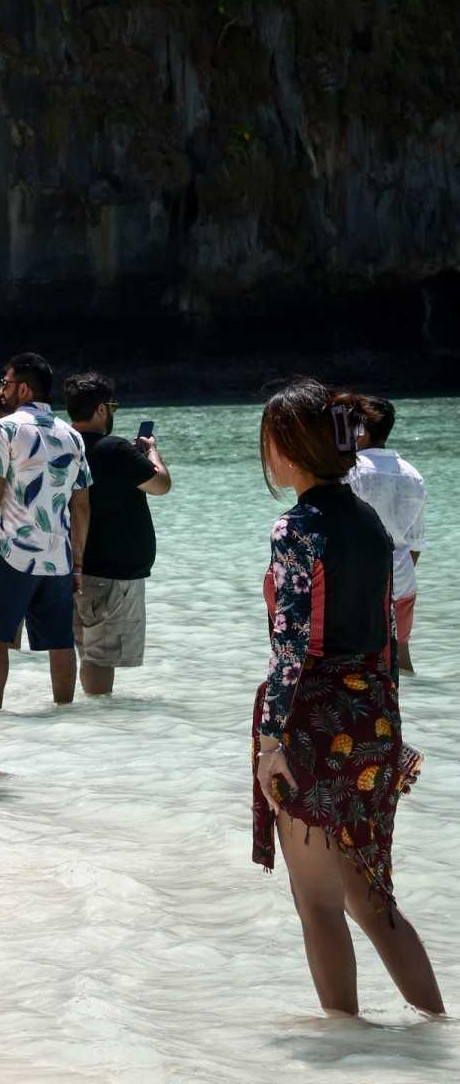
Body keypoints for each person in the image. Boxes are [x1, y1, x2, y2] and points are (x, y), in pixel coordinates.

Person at [251, 379, 443, 1018]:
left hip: (312, 721)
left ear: (290, 449)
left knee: (318, 906)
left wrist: (271, 740)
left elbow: (290, 647)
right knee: (373, 900)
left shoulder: (296, 527)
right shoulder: (370, 522)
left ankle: (347, 1051)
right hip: (372, 719)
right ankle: (440, 1033)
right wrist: (390, 735)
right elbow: (387, 639)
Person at [0, 353, 92, 708]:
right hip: (57, 557)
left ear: (24, 388)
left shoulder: (5, 429)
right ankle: (65, 711)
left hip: (12, 553)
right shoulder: (72, 436)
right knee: (60, 642)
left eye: (7, 383)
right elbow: (82, 506)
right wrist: (78, 564)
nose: (2, 390)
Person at [64, 372, 171, 697]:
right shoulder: (115, 449)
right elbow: (161, 484)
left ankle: (83, 720)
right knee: (101, 659)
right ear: (100, 409)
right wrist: (151, 452)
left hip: (73, 566)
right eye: (112, 406)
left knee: (86, 651)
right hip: (112, 574)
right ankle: (100, 725)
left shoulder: (63, 443)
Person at [346, 397, 426, 676]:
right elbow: (416, 542)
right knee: (401, 661)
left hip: (357, 583)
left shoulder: (349, 471)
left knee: (356, 668)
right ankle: (417, 712)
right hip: (402, 579)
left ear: (362, 431)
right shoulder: (413, 475)